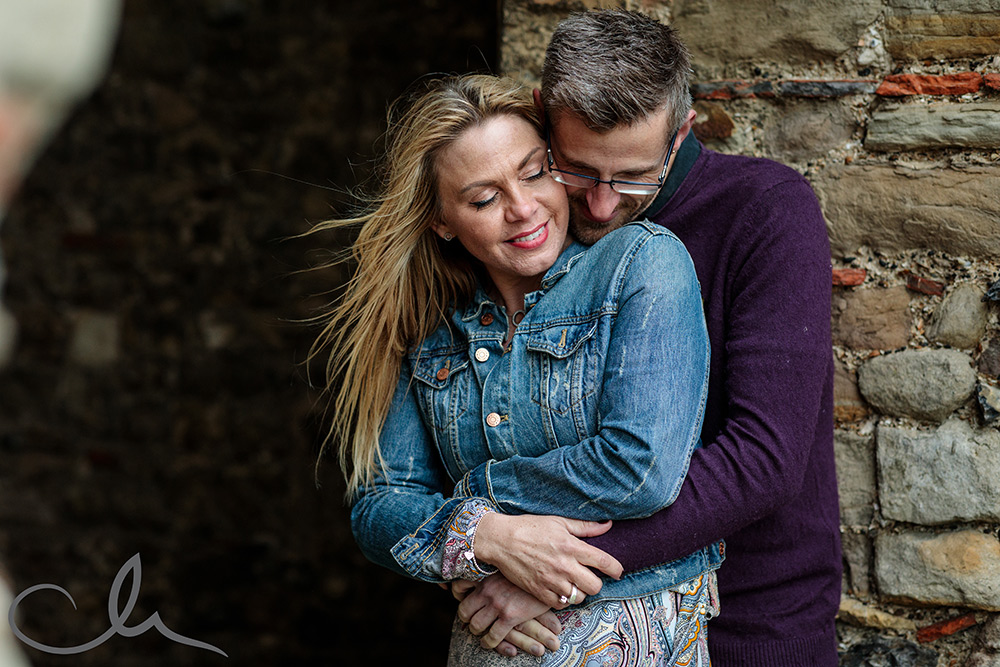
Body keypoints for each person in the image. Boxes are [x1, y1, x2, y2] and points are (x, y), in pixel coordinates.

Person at [459, 10, 842, 666]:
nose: (603, 206)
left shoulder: (766, 212)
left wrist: (562, 571)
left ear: (681, 131)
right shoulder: (525, 234)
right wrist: (486, 540)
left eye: (634, 176)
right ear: (543, 114)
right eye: (578, 170)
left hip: (745, 630)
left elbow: (763, 458)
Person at [310, 73, 724, 665]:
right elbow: (379, 508)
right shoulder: (429, 325)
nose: (523, 208)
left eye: (534, 172)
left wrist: (476, 502)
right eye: (483, 199)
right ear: (442, 221)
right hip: (491, 644)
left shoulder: (640, 263)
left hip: (636, 636)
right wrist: (485, 538)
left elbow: (642, 468)